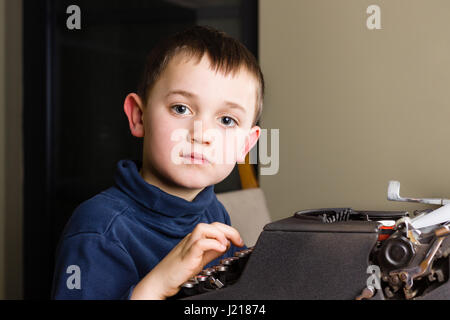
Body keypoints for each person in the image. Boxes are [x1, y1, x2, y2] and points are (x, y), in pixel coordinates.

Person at [51, 25, 265, 300]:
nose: (201, 135)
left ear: (246, 145)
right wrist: (157, 284)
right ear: (139, 117)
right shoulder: (97, 230)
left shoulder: (213, 210)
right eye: (181, 108)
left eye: (226, 120)